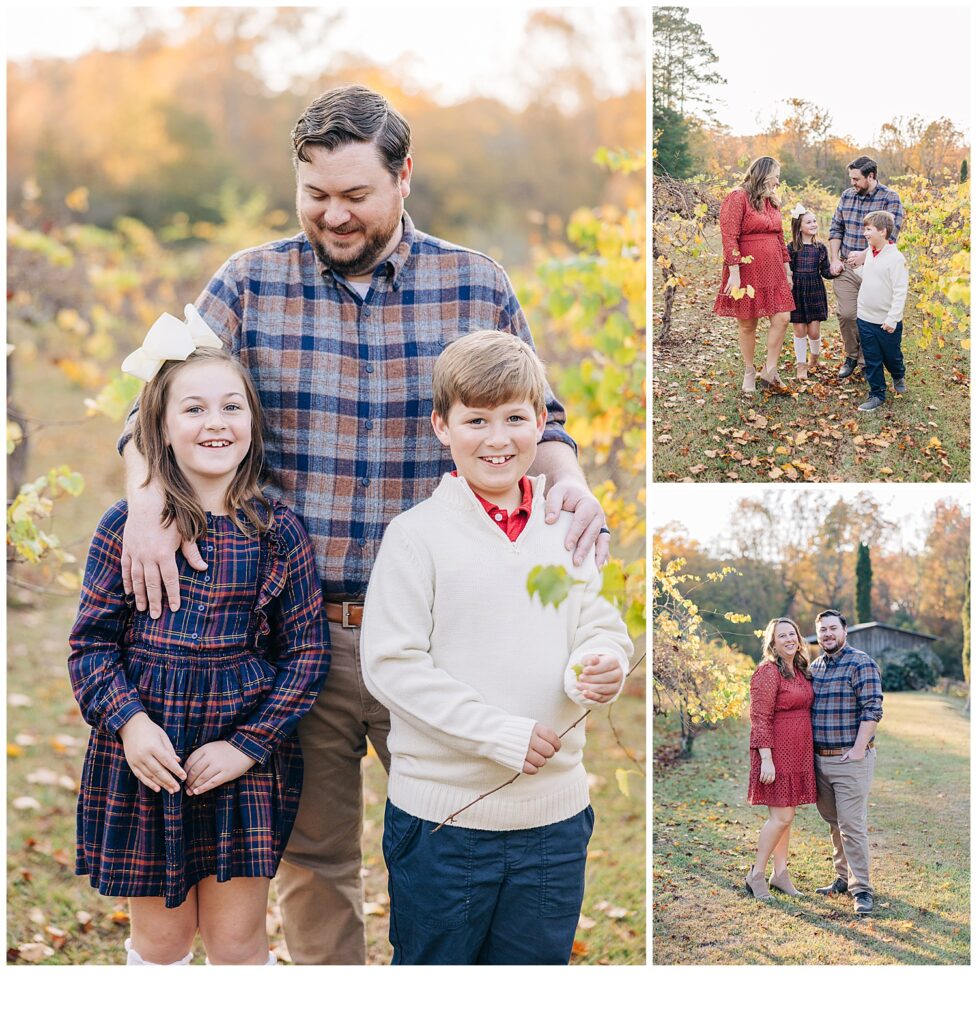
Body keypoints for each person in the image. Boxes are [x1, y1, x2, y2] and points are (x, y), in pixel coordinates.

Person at [117, 85, 609, 964]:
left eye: (356, 195)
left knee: (454, 838)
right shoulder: (247, 282)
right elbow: (157, 410)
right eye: (316, 195)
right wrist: (149, 500)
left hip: (443, 638)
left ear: (403, 177)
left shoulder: (473, 281)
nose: (333, 215)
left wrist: (567, 479)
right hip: (302, 636)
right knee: (315, 860)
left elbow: (543, 419)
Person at [359, 331, 633, 964]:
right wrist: (497, 734)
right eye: (475, 420)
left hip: (553, 822)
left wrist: (603, 665)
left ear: (542, 421)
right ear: (441, 427)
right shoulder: (416, 537)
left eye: (514, 418)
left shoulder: (565, 527)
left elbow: (599, 623)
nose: (497, 438)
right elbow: (391, 664)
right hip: (443, 825)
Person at [69, 326, 329, 965]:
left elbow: (305, 657)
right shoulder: (126, 530)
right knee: (159, 942)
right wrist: (129, 724)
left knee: (238, 942)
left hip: (237, 767)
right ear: (156, 428)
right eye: (194, 408)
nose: (216, 423)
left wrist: (249, 745)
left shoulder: (276, 532)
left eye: (231, 406)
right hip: (148, 759)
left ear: (252, 421)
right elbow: (92, 647)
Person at [810, 610, 883, 916]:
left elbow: (872, 708)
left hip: (850, 759)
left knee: (851, 825)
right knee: (833, 821)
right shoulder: (814, 667)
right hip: (820, 760)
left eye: (832, 628)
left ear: (844, 631)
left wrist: (857, 749)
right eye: (822, 629)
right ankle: (842, 877)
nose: (827, 634)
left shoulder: (860, 662)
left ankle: (862, 888)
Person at [744, 618, 817, 900]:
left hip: (798, 750)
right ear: (772, 642)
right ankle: (756, 875)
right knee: (781, 815)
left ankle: (780, 874)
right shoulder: (768, 671)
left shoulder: (798, 670)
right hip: (775, 752)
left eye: (792, 634)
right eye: (781, 636)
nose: (788, 639)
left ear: (798, 638)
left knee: (787, 816)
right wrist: (766, 758)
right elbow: (759, 717)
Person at [713, 156, 795, 395]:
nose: (778, 181)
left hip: (774, 268)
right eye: (776, 175)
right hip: (746, 268)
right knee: (748, 323)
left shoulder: (772, 201)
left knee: (782, 318)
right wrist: (735, 271)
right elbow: (729, 236)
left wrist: (787, 267)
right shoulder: (738, 197)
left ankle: (770, 370)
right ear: (765, 174)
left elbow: (780, 237)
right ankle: (749, 370)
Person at [828, 156, 905, 379]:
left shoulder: (890, 198)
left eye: (856, 178)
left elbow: (891, 235)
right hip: (848, 267)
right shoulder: (847, 196)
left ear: (871, 176)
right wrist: (835, 259)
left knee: (870, 318)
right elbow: (836, 229)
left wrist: (865, 255)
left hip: (877, 269)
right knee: (847, 313)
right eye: (851, 178)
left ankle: (867, 361)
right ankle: (852, 355)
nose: (852, 182)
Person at [855, 210, 909, 412]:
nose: (865, 234)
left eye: (868, 229)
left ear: (883, 231)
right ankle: (877, 393)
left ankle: (898, 374)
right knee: (872, 358)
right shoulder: (870, 252)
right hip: (865, 317)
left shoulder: (896, 259)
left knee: (891, 356)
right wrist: (854, 269)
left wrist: (892, 319)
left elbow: (900, 291)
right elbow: (871, 276)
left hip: (887, 321)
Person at [787, 205, 838, 380]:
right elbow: (788, 270)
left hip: (815, 290)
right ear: (799, 226)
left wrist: (835, 271)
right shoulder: (792, 248)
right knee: (800, 330)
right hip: (797, 292)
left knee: (814, 332)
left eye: (815, 220)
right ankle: (801, 364)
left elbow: (825, 271)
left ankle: (814, 358)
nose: (814, 224)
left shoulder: (820, 248)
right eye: (809, 221)